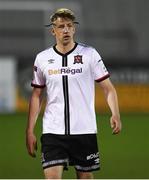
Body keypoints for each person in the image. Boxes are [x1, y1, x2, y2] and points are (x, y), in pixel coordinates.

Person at [26, 8, 122, 179]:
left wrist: (115, 113)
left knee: (85, 177)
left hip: (84, 130)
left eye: (69, 26)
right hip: (53, 131)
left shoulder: (89, 54)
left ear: (74, 29)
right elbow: (36, 95)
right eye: (61, 26)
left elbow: (108, 88)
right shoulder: (42, 58)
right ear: (53, 30)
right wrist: (30, 130)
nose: (66, 30)